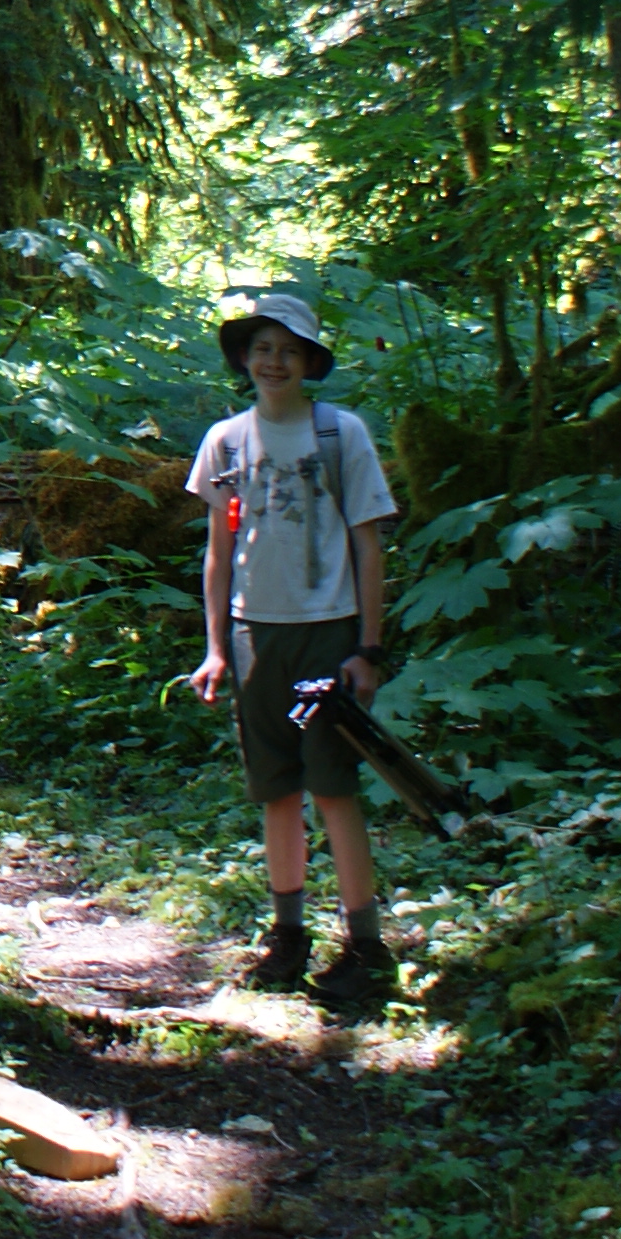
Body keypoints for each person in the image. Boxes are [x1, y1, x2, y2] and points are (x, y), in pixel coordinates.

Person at [186, 290, 402, 1004]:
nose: (272, 362)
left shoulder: (342, 436)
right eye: (261, 348)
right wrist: (216, 647)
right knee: (275, 789)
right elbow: (220, 553)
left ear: (310, 362)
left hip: (328, 633)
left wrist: (367, 648)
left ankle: (366, 947)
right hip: (255, 638)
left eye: (287, 350)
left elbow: (368, 544)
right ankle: (287, 938)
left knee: (335, 789)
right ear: (243, 359)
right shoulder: (226, 442)